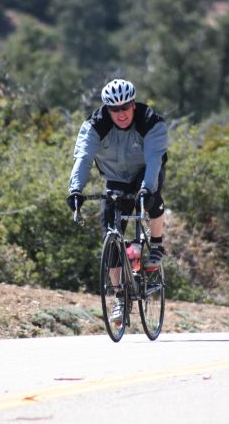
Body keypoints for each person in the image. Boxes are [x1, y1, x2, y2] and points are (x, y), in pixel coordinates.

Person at [67, 78, 169, 321]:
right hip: (115, 178)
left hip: (146, 172)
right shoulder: (95, 125)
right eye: (115, 109)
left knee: (152, 199)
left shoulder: (151, 121)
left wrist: (146, 189)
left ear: (133, 104)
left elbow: (155, 160)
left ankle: (156, 244)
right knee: (111, 236)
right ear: (107, 109)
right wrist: (75, 190)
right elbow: (83, 158)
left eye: (125, 107)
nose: (121, 113)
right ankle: (120, 299)